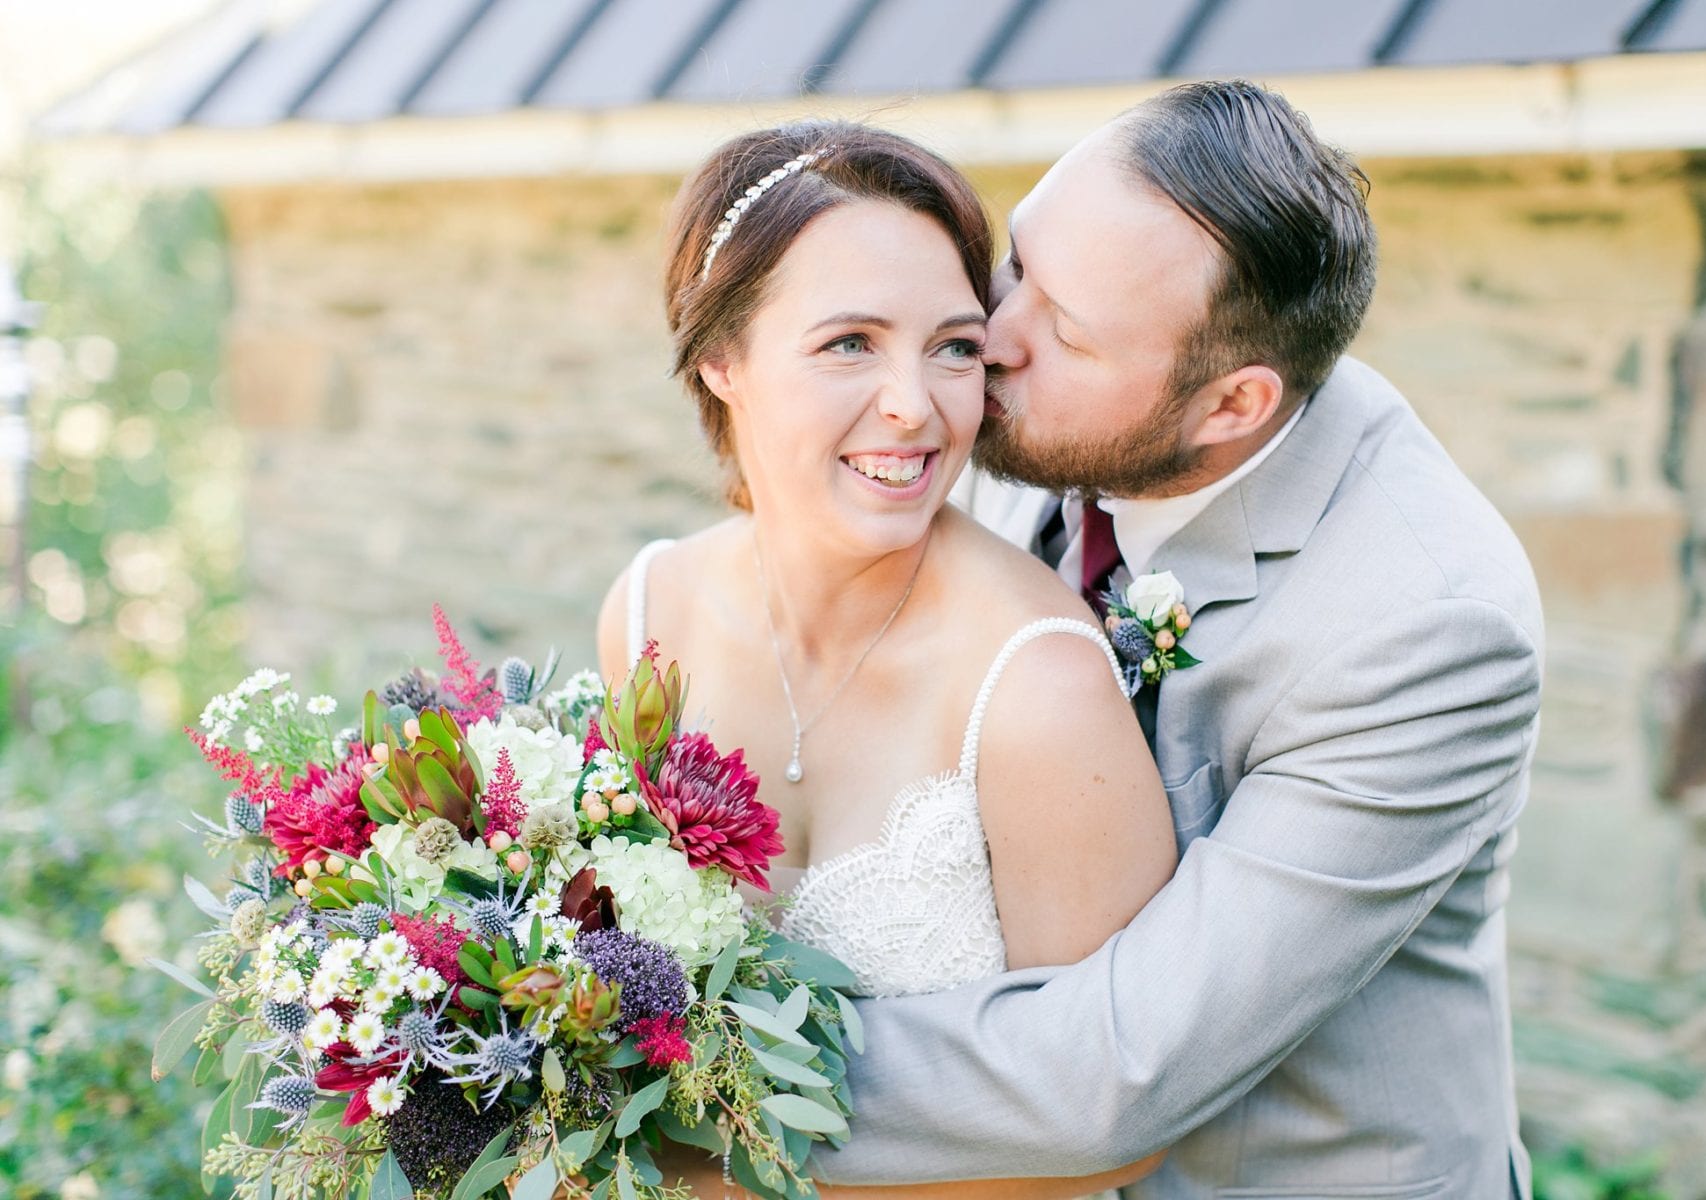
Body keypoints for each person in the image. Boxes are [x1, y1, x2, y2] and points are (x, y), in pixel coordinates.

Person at [808, 81, 1545, 1200]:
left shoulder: (1429, 627)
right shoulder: (1034, 432)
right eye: (1018, 266)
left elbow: (1119, 1073)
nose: (989, 339)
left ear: (1232, 407)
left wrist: (692, 1076)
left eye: (1063, 330)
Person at [595, 120, 1177, 1198]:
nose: (917, 405)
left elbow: (1115, 1131)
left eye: (955, 347)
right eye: (850, 343)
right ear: (721, 358)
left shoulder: (1038, 681)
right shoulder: (646, 615)